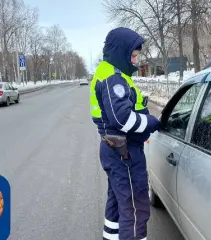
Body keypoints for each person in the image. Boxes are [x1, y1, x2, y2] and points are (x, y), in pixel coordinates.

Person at [89, 27, 160, 240]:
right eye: (133, 54)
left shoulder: (111, 73)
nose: (135, 59)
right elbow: (122, 118)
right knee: (136, 208)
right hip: (124, 152)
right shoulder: (113, 78)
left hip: (116, 148)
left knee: (117, 202)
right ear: (121, 51)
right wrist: (150, 122)